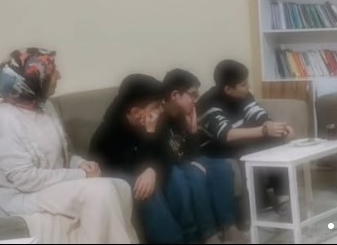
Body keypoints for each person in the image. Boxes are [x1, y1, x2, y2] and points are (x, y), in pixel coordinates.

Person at [0, 48, 138, 244]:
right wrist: (81, 175)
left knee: (121, 187)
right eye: (52, 72)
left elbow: (61, 156)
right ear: (33, 82)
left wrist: (80, 164)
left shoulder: (46, 107)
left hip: (48, 187)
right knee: (100, 191)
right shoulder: (4, 119)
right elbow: (24, 179)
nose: (59, 76)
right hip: (18, 195)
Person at [90, 74, 199, 244]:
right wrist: (149, 136)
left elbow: (166, 155)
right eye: (156, 106)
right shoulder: (107, 136)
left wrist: (152, 169)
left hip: (141, 171)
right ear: (135, 112)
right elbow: (132, 167)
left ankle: (192, 237)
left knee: (176, 176)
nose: (160, 111)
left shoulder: (150, 120)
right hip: (118, 179)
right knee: (145, 188)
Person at [161, 68, 249, 244]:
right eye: (192, 95)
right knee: (196, 175)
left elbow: (193, 153)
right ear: (175, 95)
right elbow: (162, 156)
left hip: (186, 160)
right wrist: (190, 163)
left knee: (222, 167)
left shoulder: (183, 115)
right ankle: (209, 234)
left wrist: (193, 131)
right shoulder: (158, 117)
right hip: (171, 165)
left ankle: (229, 226)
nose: (195, 101)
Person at [197, 59, 295, 212]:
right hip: (214, 146)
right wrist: (264, 131)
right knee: (248, 148)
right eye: (243, 85)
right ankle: (258, 203)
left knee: (275, 137)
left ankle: (282, 197)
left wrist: (275, 127)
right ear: (228, 89)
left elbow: (257, 114)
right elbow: (226, 134)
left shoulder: (244, 96)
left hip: (238, 139)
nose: (248, 87)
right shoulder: (208, 103)